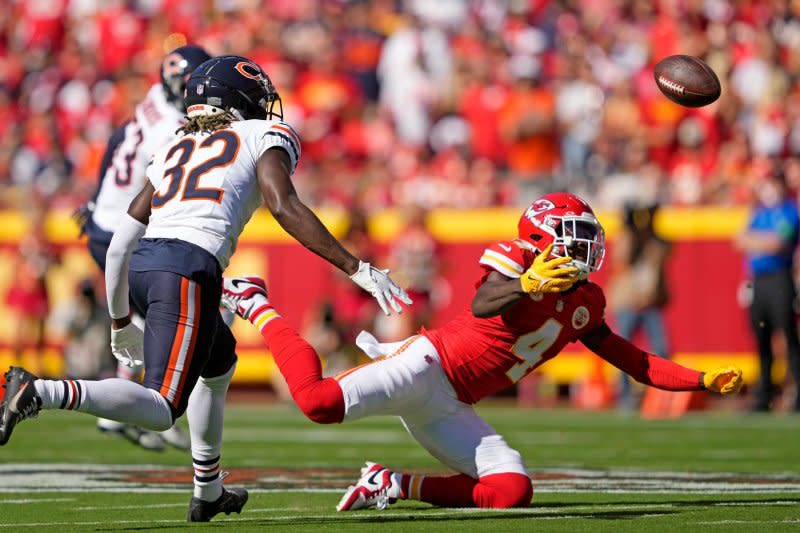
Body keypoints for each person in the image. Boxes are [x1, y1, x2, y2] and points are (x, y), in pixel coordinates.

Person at [0, 55, 411, 521]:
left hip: (146, 264)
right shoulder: (261, 135)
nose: (265, 107)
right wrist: (355, 267)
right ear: (238, 100)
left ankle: (209, 490)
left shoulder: (173, 147)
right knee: (161, 408)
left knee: (219, 362)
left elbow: (118, 248)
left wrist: (119, 321)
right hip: (188, 267)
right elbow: (284, 205)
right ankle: (39, 392)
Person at [220, 192, 744, 512]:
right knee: (318, 404)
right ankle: (258, 304)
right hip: (425, 366)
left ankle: (392, 483)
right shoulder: (516, 260)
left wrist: (701, 381)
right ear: (540, 238)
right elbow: (485, 301)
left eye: (589, 238)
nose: (586, 249)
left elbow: (636, 361)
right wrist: (530, 283)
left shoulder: (586, 300)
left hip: (452, 405)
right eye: (573, 237)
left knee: (512, 489)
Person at [73, 44, 213, 451]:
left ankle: (125, 410)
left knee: (147, 315)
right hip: (122, 228)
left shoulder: (153, 101)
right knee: (168, 309)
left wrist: (97, 198)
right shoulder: (169, 127)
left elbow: (118, 139)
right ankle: (153, 407)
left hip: (107, 221)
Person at [735, 166, 800, 412]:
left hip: (779, 278)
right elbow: (740, 239)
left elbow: (778, 244)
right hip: (758, 280)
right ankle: (764, 396)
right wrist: (761, 240)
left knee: (789, 338)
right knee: (761, 339)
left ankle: (796, 395)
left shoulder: (790, 212)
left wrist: (756, 240)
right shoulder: (759, 213)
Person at [606, 203, 671, 410]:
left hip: (650, 302)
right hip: (628, 302)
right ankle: (625, 399)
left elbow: (666, 250)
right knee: (623, 353)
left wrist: (650, 225)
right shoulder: (628, 239)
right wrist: (629, 226)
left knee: (661, 349)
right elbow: (623, 259)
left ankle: (661, 397)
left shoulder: (655, 242)